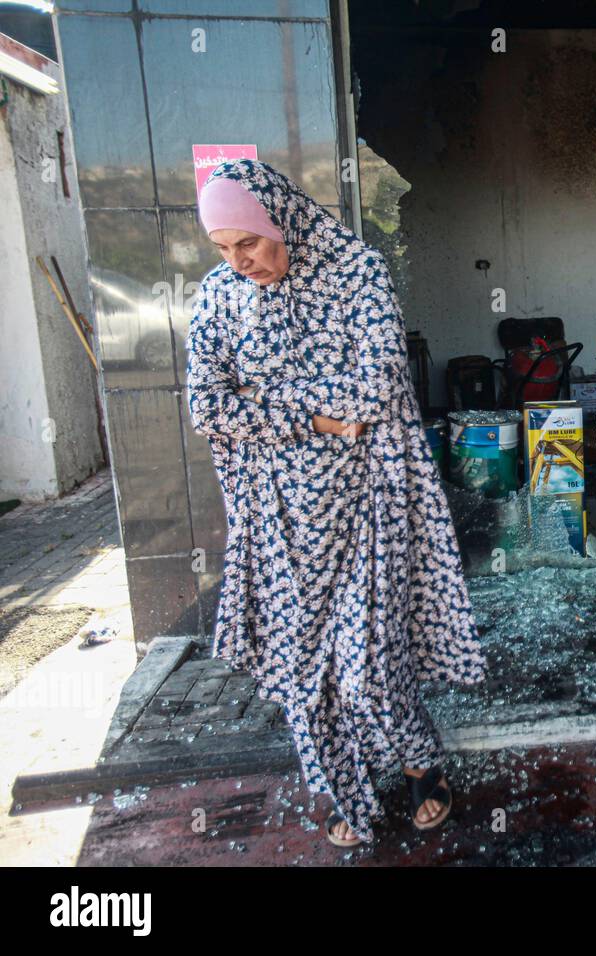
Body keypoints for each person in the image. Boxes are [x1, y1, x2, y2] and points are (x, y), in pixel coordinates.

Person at [185, 159, 485, 847]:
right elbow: (207, 406)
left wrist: (262, 406)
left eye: (250, 244)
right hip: (276, 523)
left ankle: (419, 766)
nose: (240, 262)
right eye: (224, 250)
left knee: (369, 661)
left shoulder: (356, 272)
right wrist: (314, 421)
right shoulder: (218, 298)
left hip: (365, 510)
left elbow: (375, 385)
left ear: (278, 219)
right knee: (303, 673)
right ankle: (342, 789)